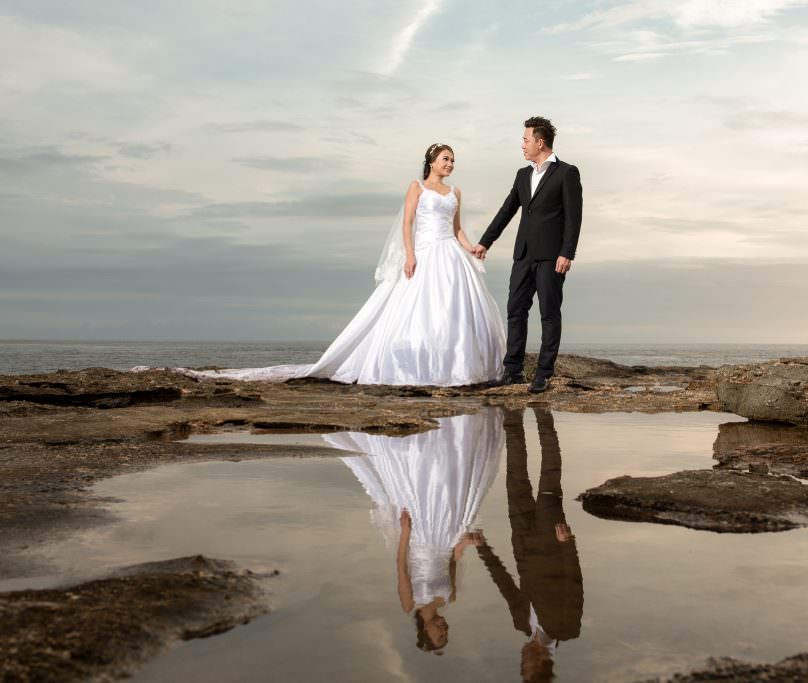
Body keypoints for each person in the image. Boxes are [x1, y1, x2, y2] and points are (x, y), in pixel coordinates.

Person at [135, 144, 505, 386]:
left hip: (449, 255)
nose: (450, 164)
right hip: (424, 253)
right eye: (445, 159)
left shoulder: (455, 193)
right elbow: (407, 224)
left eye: (453, 160)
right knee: (416, 311)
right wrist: (410, 255)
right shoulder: (417, 188)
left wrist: (473, 247)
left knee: (453, 313)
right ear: (431, 162)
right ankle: (413, 365)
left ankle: (455, 367)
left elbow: (457, 229)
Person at [323, 410, 504, 653]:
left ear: (424, 632)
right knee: (446, 490)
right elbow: (452, 560)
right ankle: (445, 440)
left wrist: (405, 531)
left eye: (439, 635)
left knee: (422, 495)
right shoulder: (449, 598)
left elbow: (401, 566)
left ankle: (420, 446)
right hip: (445, 537)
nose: (444, 630)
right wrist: (465, 542)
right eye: (446, 634)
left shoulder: (410, 604)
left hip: (420, 541)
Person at [473, 117, 583, 393]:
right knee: (515, 310)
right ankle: (513, 371)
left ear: (539, 142)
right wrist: (486, 242)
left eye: (525, 139)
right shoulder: (522, 175)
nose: (522, 145)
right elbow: (507, 210)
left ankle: (544, 373)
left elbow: (574, 218)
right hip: (523, 254)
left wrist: (567, 252)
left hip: (551, 256)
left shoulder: (567, 173)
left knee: (548, 312)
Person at [475, 408, 584, 682]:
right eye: (529, 665)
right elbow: (575, 585)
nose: (524, 658)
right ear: (544, 665)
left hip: (522, 539)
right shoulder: (567, 628)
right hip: (552, 541)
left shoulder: (521, 623)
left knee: (516, 473)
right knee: (549, 473)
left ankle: (513, 414)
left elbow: (506, 585)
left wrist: (482, 547)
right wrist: (567, 545)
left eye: (523, 665)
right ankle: (544, 415)